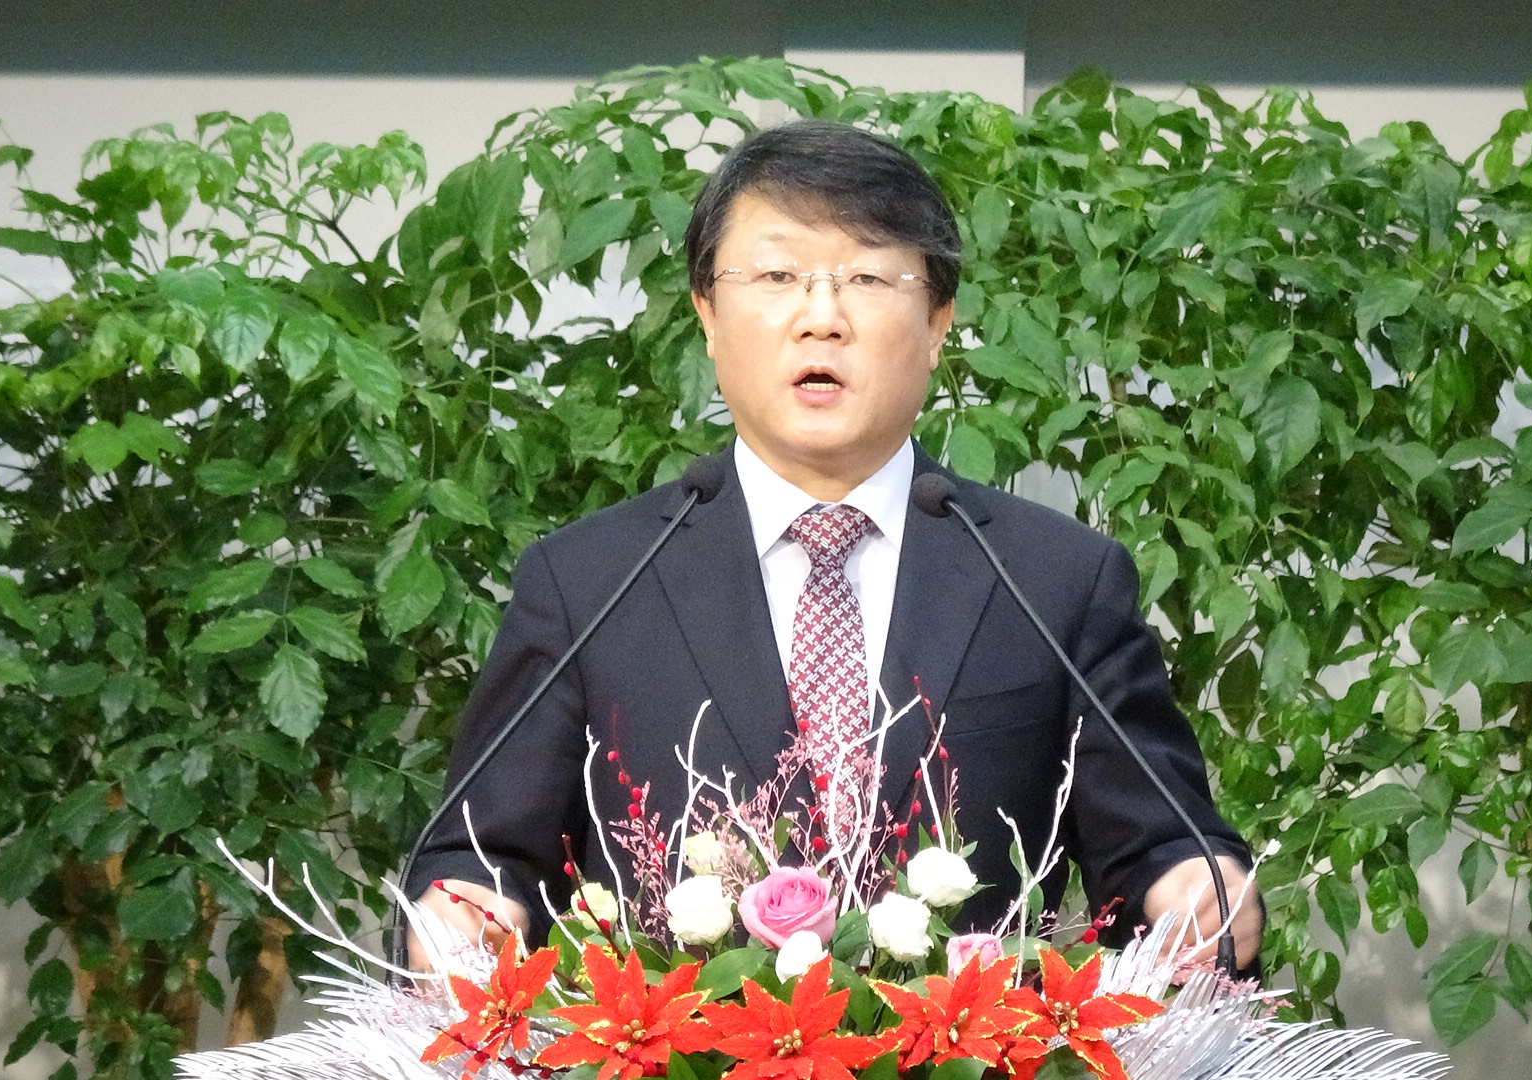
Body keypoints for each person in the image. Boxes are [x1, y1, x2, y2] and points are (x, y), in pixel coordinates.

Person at [405, 119, 1260, 971]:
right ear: (707, 314)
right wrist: (460, 917)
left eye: (868, 277)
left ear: (938, 323)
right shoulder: (589, 582)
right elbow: (481, 855)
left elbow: (1159, 844)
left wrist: (1193, 886)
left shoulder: (1055, 580)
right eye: (777, 275)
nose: (822, 318)